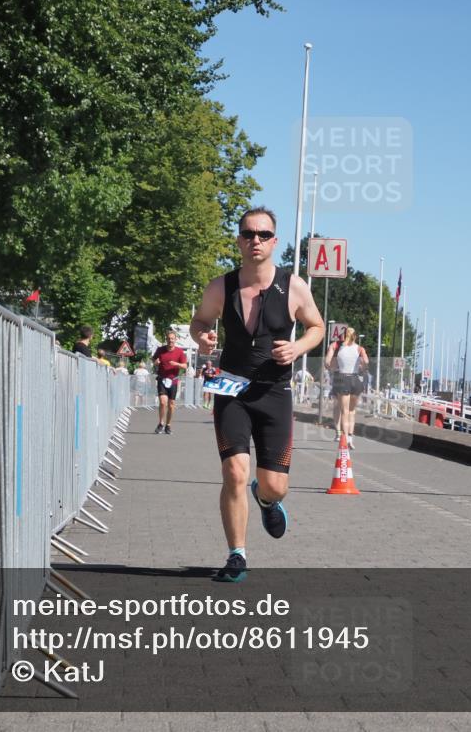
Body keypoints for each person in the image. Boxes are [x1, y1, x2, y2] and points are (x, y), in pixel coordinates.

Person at [189, 206, 324, 582]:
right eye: (248, 234)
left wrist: (298, 349)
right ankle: (237, 555)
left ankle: (265, 499)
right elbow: (199, 321)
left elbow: (317, 327)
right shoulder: (221, 286)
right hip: (229, 386)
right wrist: (202, 336)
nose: (255, 241)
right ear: (238, 240)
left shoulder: (293, 286)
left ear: (274, 241)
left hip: (274, 391)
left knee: (275, 485)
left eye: (263, 235)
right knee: (233, 470)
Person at [325, 327, 368, 449]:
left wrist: (332, 367)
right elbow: (366, 362)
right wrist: (361, 367)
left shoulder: (336, 346)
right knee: (352, 412)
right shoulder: (360, 349)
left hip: (342, 378)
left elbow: (327, 362)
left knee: (343, 411)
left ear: (343, 335)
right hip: (356, 380)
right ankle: (350, 439)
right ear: (355, 336)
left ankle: (342, 437)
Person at [152, 331, 187, 434]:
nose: (170, 340)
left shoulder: (180, 352)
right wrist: (155, 362)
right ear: (166, 339)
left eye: (172, 338)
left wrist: (177, 364)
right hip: (162, 379)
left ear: (175, 340)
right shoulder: (160, 350)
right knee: (163, 402)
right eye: (169, 338)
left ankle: (168, 425)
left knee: (171, 404)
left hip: (173, 380)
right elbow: (153, 360)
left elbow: (185, 366)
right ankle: (161, 423)